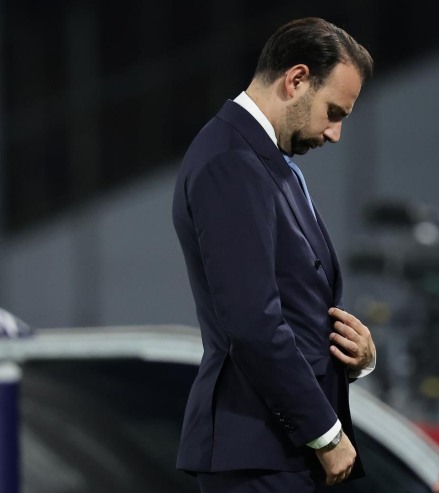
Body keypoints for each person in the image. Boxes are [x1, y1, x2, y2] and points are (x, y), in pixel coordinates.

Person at [172, 18, 376, 493]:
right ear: (296, 79)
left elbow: (294, 309)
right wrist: (325, 436)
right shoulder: (231, 160)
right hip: (259, 455)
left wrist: (357, 357)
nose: (335, 133)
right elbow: (252, 322)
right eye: (333, 112)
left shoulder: (263, 159)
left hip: (278, 452)